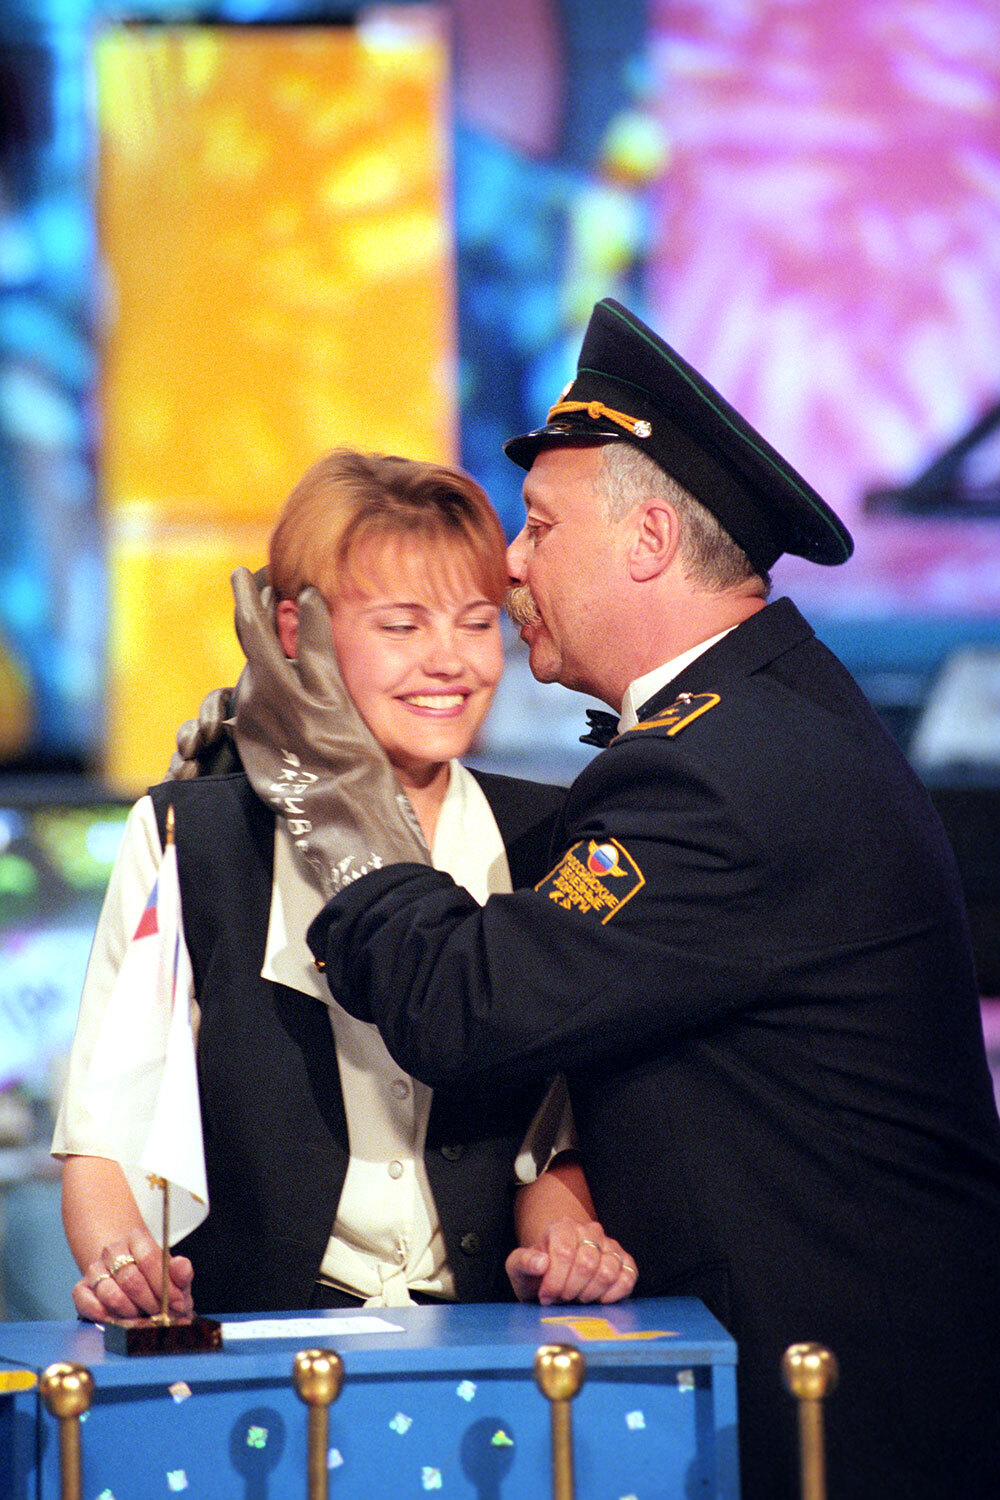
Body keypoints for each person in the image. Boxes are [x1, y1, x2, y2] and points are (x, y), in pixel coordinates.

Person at [304, 303, 1000, 1499]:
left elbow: (464, 1005)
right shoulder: (762, 721)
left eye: (539, 525)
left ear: (649, 539)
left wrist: (335, 795)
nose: (509, 563)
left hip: (835, 1419)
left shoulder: (720, 772)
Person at [53, 448, 637, 1323]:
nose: (450, 661)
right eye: (402, 627)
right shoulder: (190, 836)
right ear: (296, 633)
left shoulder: (547, 836)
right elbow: (108, 1127)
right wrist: (122, 1266)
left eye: (476, 623)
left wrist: (563, 1245)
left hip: (486, 1337)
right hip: (256, 1342)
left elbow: (550, 1141)